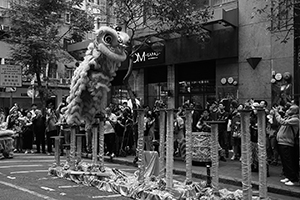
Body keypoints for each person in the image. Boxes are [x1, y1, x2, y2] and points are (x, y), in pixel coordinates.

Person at [274, 104, 299, 186]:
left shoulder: (296, 119)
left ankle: (292, 178)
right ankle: (287, 176)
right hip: (282, 141)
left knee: (288, 161)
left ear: (295, 111)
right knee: (284, 161)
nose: (288, 110)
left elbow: (282, 122)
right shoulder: (289, 118)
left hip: (287, 142)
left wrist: (276, 113)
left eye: (291, 109)